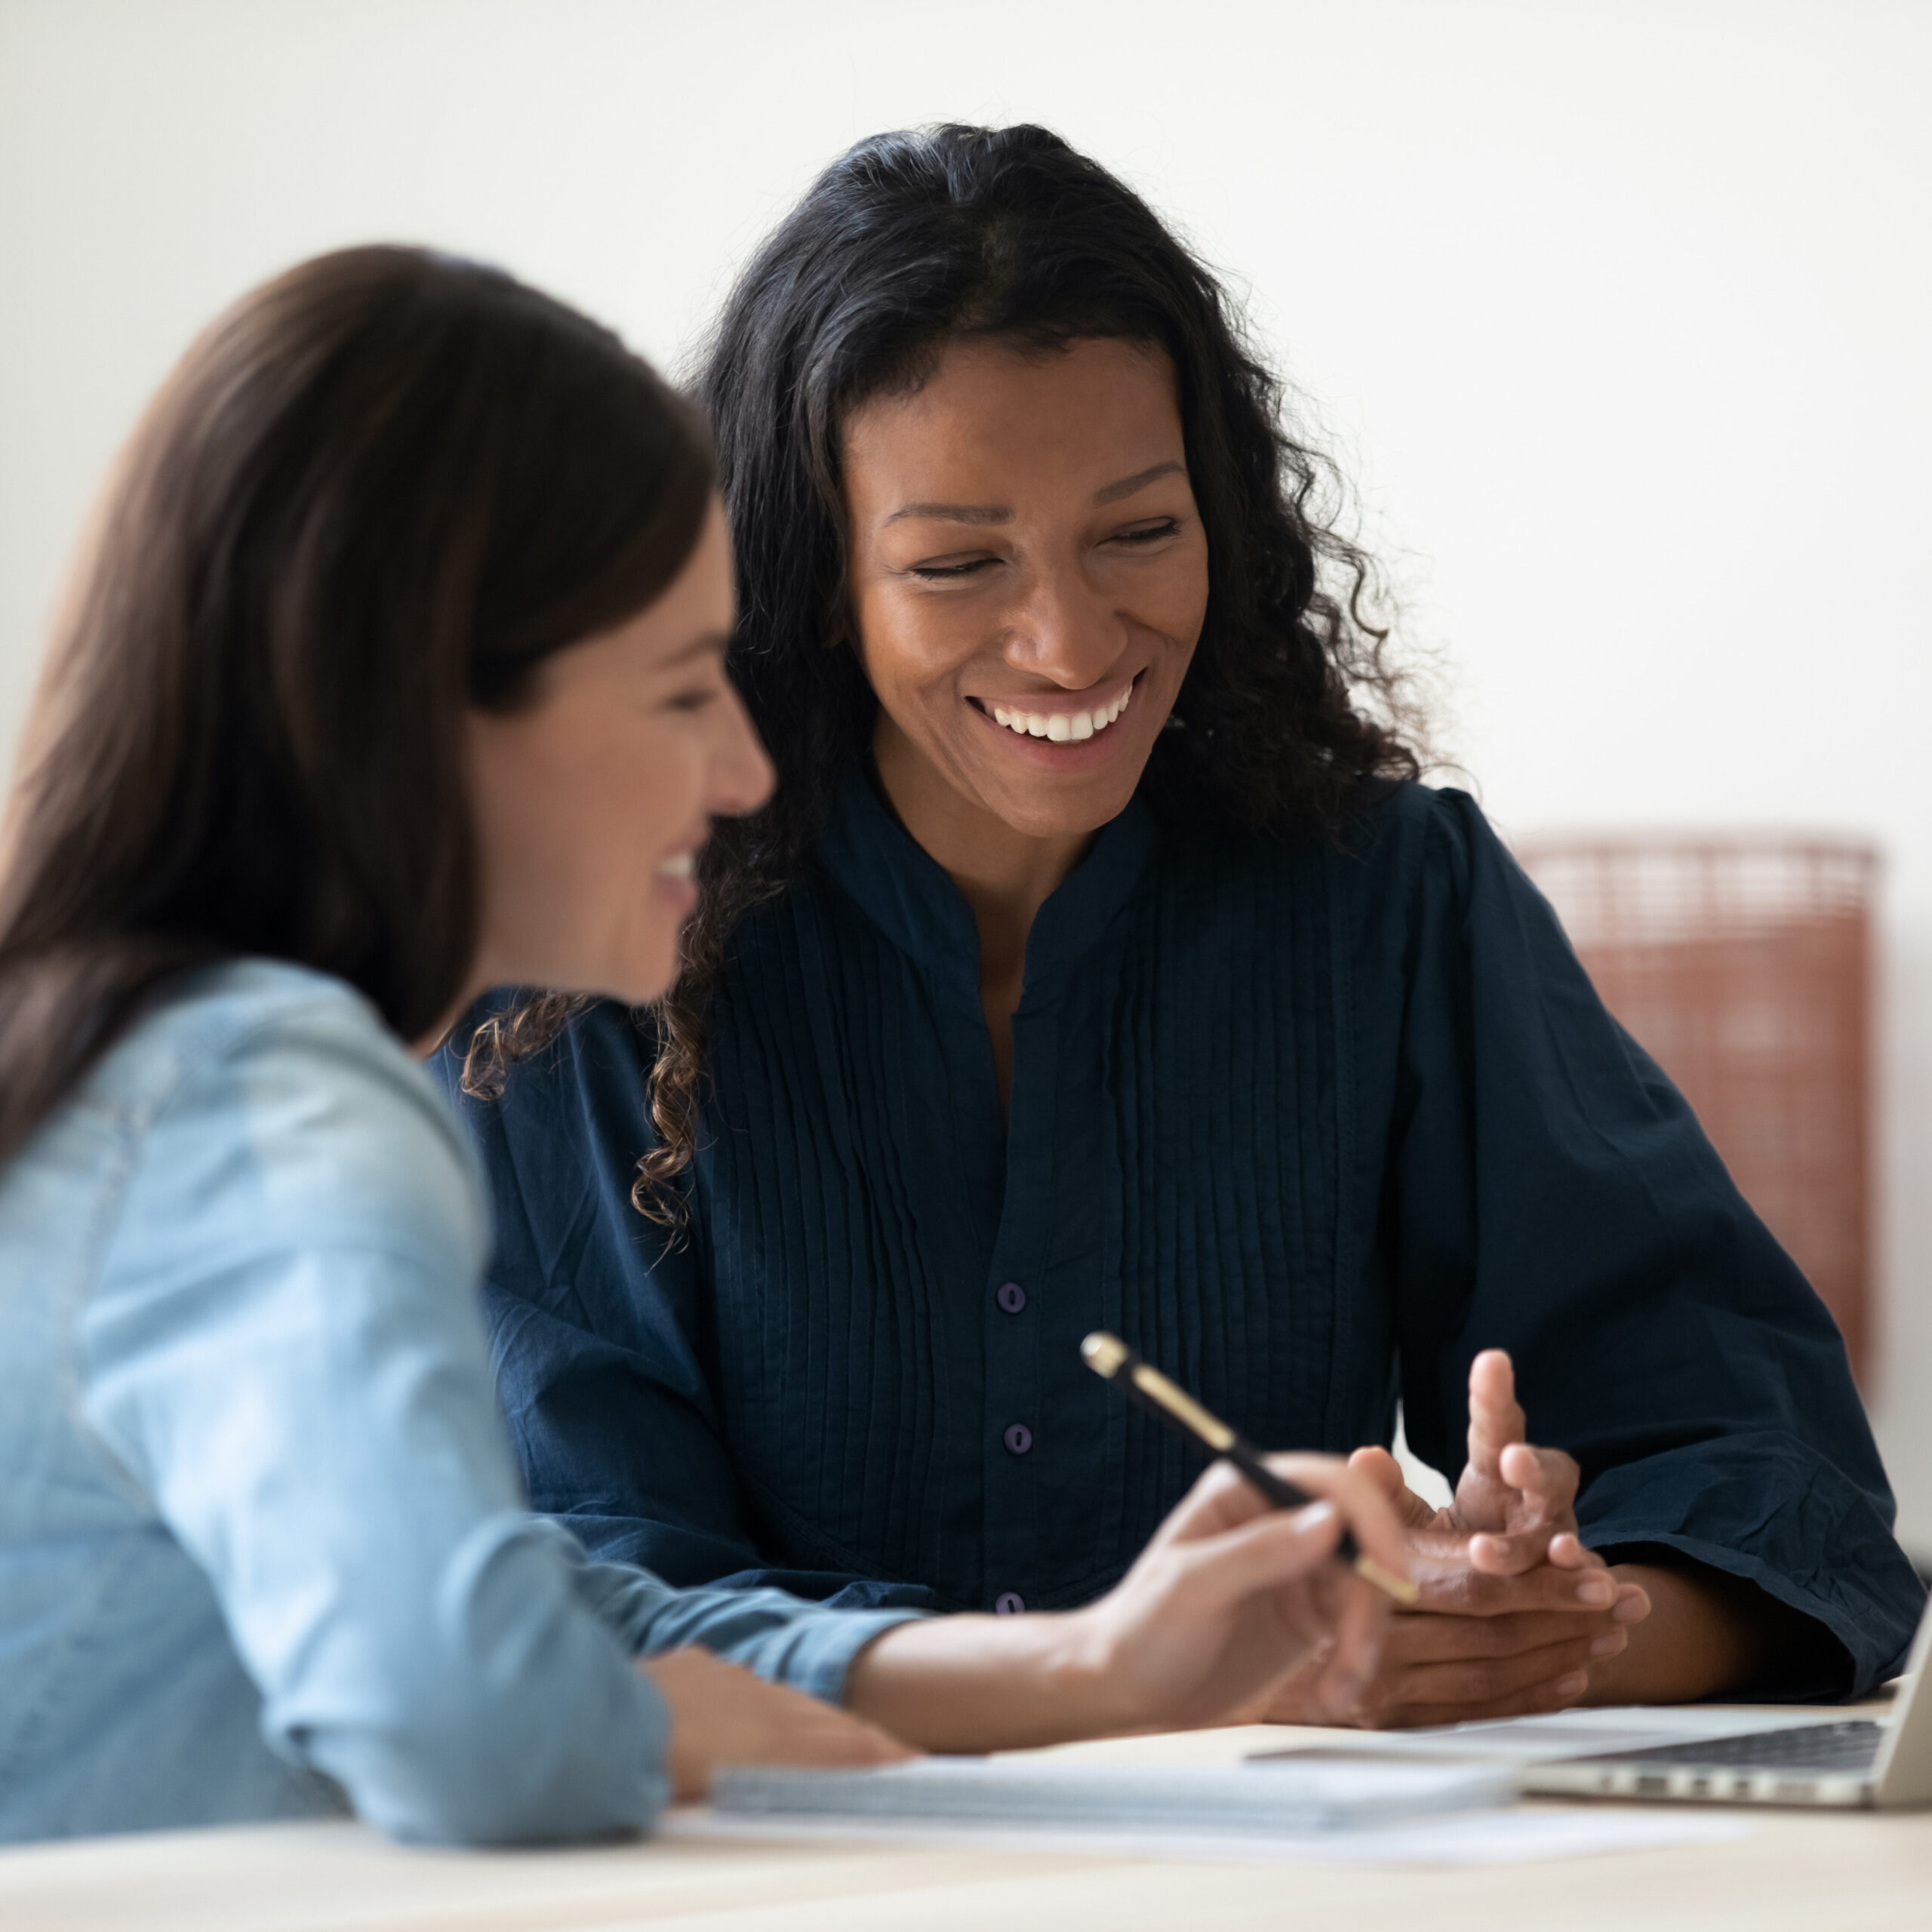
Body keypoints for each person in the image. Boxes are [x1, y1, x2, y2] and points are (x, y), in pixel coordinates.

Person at [442, 124, 1925, 1727]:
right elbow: (577, 1600)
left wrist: (1519, 1627)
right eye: (955, 561)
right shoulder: (596, 955)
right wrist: (1133, 1680)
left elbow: (1788, 1492)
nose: (1071, 639)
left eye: (1139, 532)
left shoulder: (1388, 900)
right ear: (812, 578)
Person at [0, 245, 1410, 1847]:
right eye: (682, 689)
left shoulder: (137, 1066)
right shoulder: (279, 1097)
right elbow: (470, 1711)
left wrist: (1091, 1661)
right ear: (426, 707)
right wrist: (625, 1719)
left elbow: (515, 1613)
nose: (744, 765)